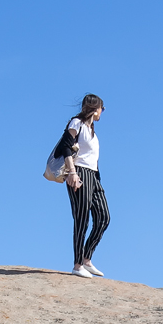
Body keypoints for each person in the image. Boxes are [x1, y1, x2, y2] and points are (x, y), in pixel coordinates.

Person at [52, 95, 109, 277]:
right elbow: (65, 147)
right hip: (79, 173)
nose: (103, 110)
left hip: (93, 176)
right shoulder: (76, 123)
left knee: (104, 217)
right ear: (94, 108)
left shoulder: (91, 129)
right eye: (102, 107)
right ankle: (77, 266)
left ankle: (86, 258)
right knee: (82, 218)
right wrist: (72, 173)